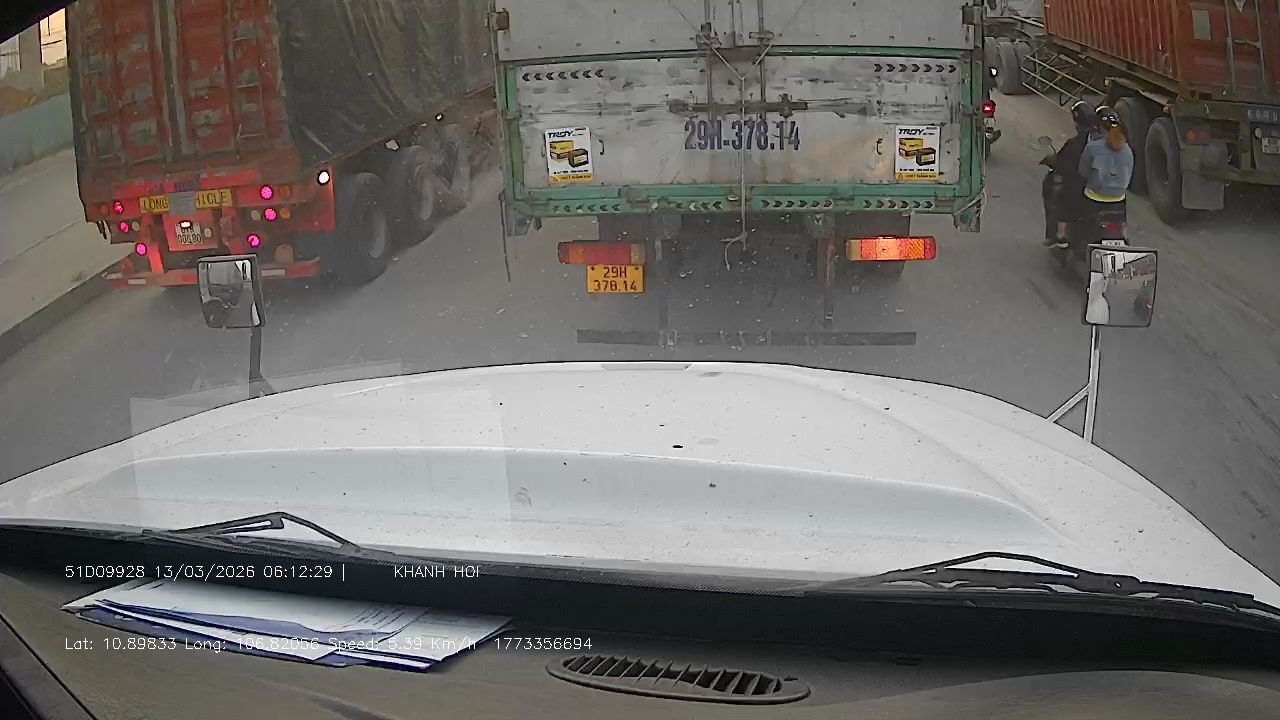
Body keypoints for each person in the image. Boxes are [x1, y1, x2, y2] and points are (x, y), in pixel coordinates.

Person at [1041, 101, 1097, 246]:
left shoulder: (1075, 143)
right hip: (1105, 192)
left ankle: (1059, 236)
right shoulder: (1106, 144)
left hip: (1082, 190)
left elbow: (1061, 162)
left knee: (1060, 194)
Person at [1074, 105, 1134, 238]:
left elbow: (1083, 172)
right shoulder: (1127, 149)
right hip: (1119, 198)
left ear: (1098, 126)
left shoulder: (1092, 147)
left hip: (1095, 197)